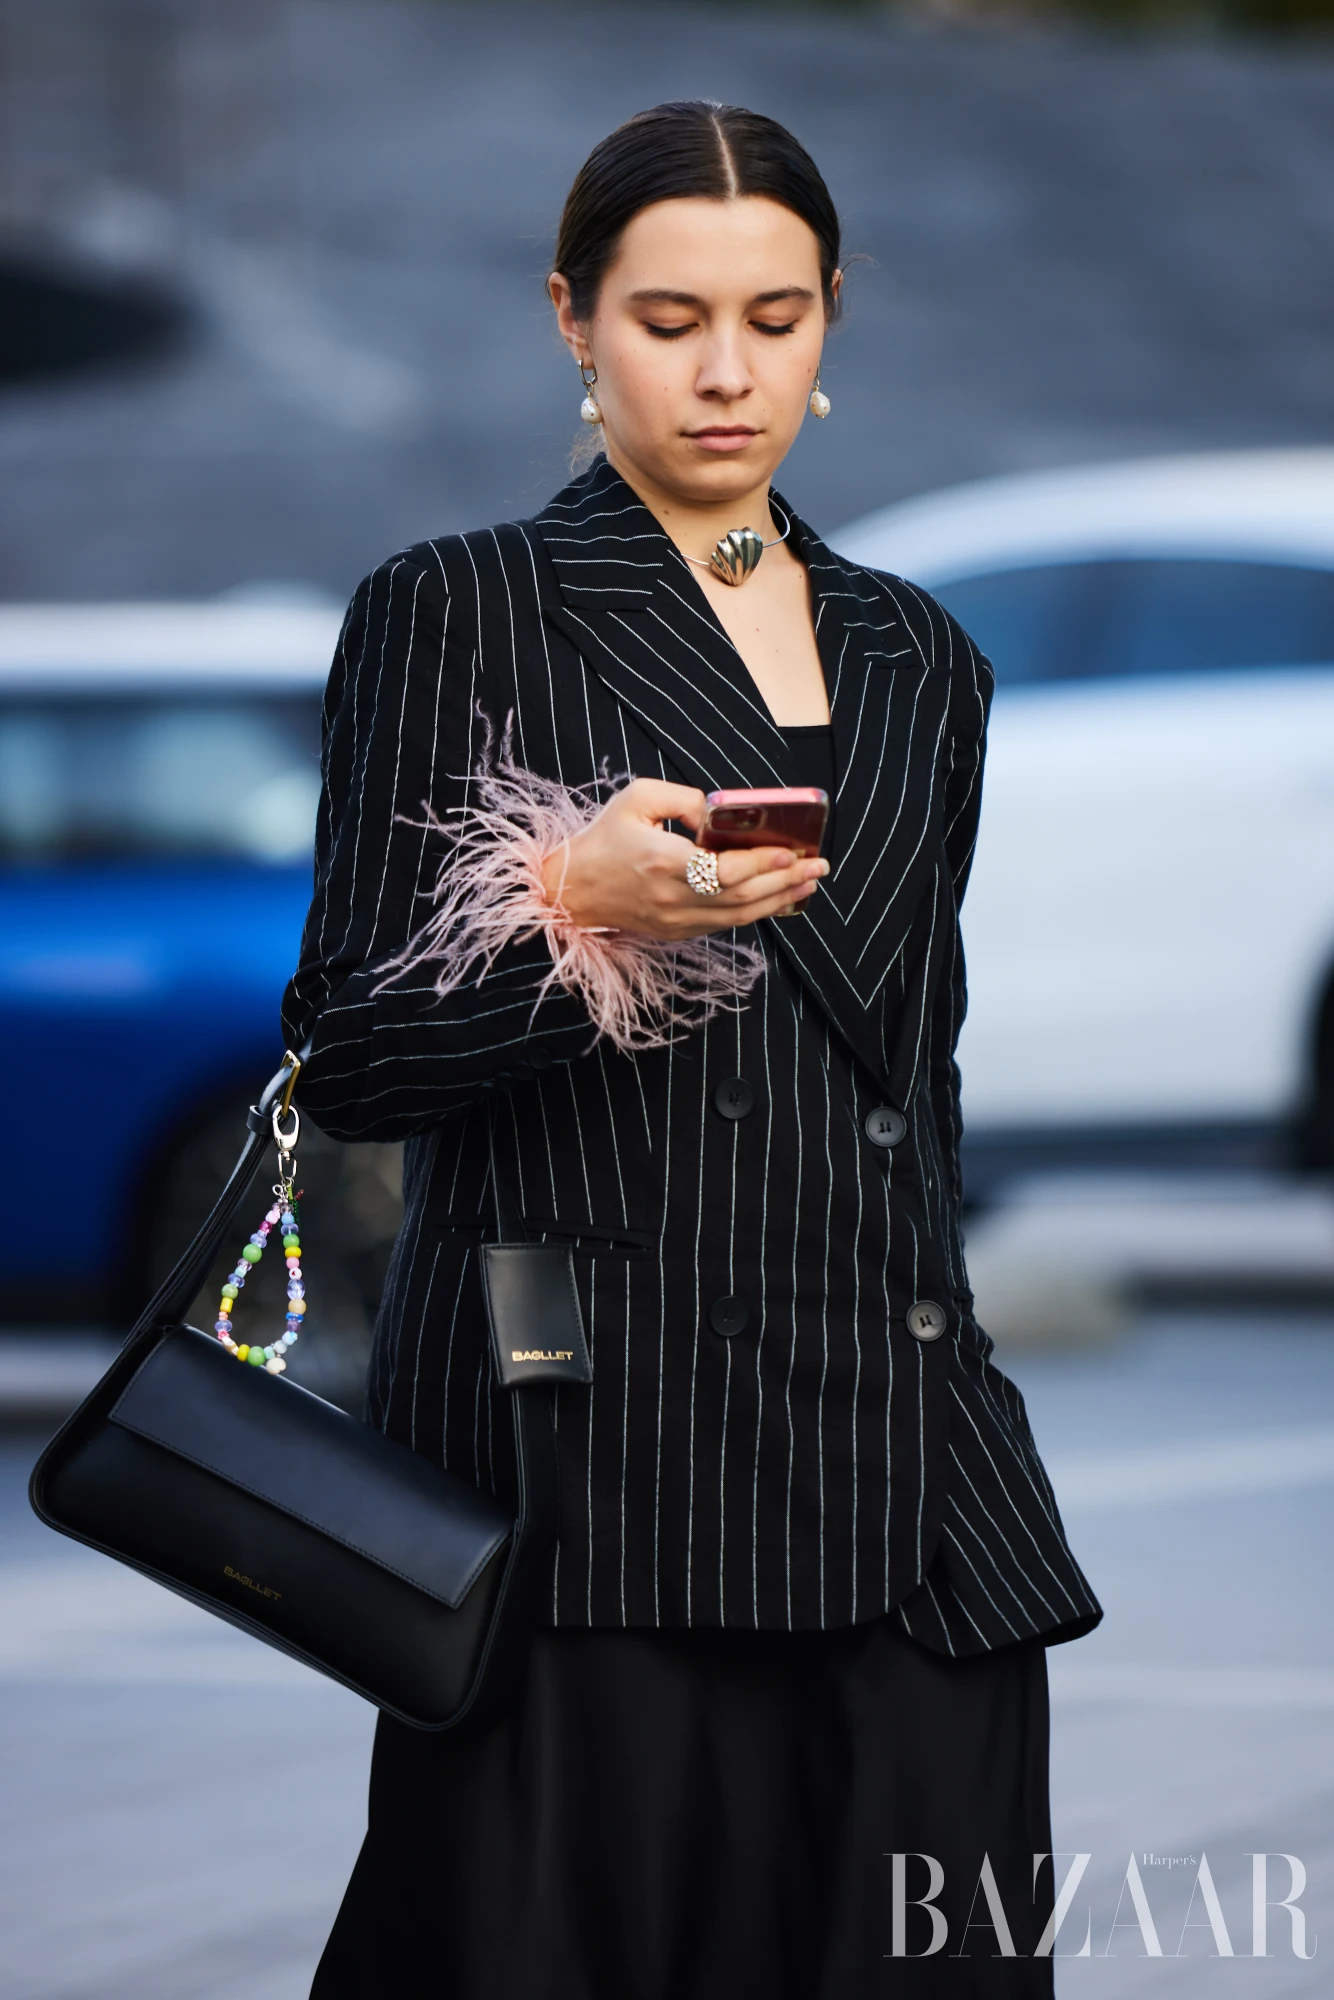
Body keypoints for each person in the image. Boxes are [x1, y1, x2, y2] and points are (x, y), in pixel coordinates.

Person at [284, 99, 1102, 2000]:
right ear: (570, 321)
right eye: (668, 319)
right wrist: (570, 907)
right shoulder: (457, 605)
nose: (727, 370)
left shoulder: (921, 657)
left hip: (907, 1472)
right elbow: (349, 1059)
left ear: (832, 327)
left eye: (776, 313)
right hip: (591, 1477)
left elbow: (915, 1072)